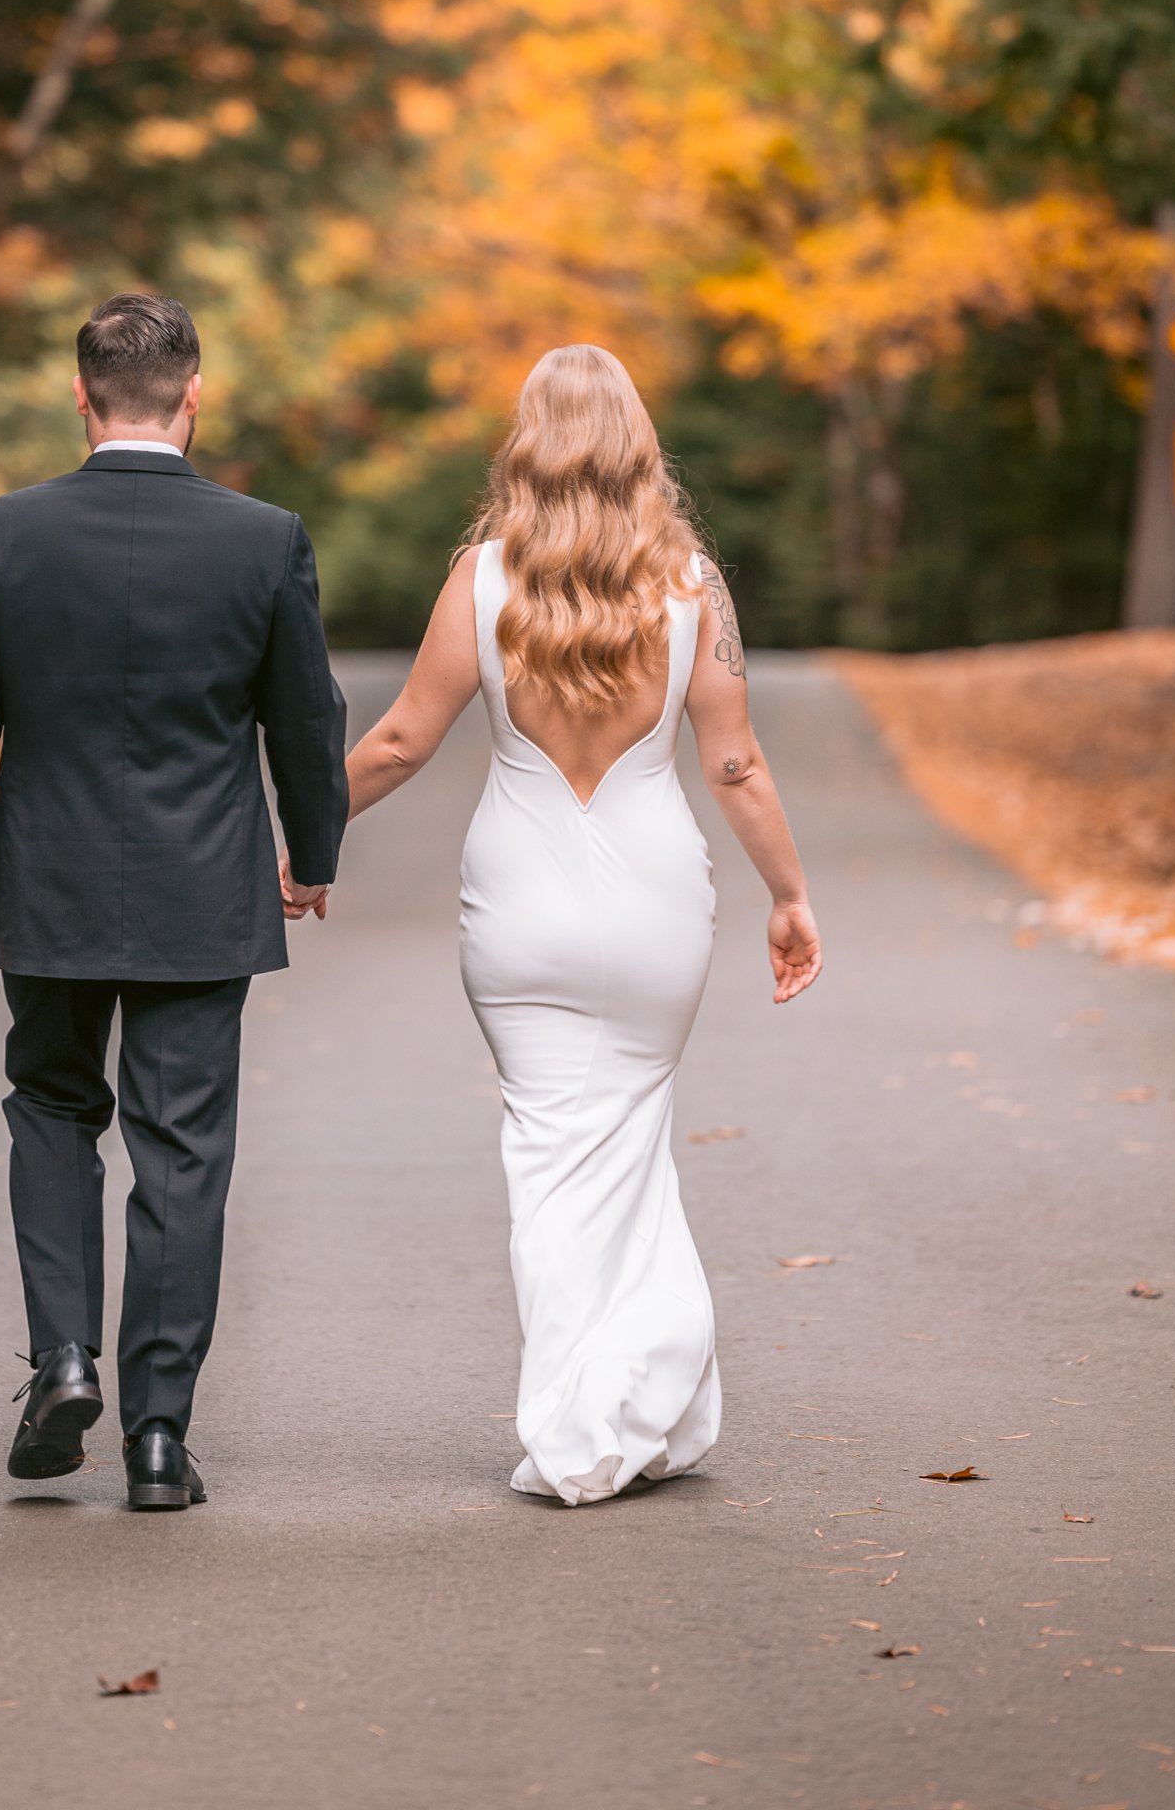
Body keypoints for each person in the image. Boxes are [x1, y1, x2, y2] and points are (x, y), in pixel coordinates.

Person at [333, 344, 821, 1505]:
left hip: (520, 904)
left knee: (554, 1153)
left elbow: (400, 741)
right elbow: (736, 762)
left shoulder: (482, 578)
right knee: (629, 1132)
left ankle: (586, 1423)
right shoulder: (692, 582)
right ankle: (632, 1404)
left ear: (527, 445)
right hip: (654, 900)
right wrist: (789, 895)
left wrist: (292, 841)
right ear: (637, 446)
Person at [0, 293, 348, 1509]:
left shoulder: (4, 534)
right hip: (202, 890)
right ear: (192, 394)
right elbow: (307, 721)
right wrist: (313, 853)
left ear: (81, 395)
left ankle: (60, 1358)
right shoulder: (264, 539)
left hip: (45, 882)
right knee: (183, 1153)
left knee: (51, 1109)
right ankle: (158, 1439)